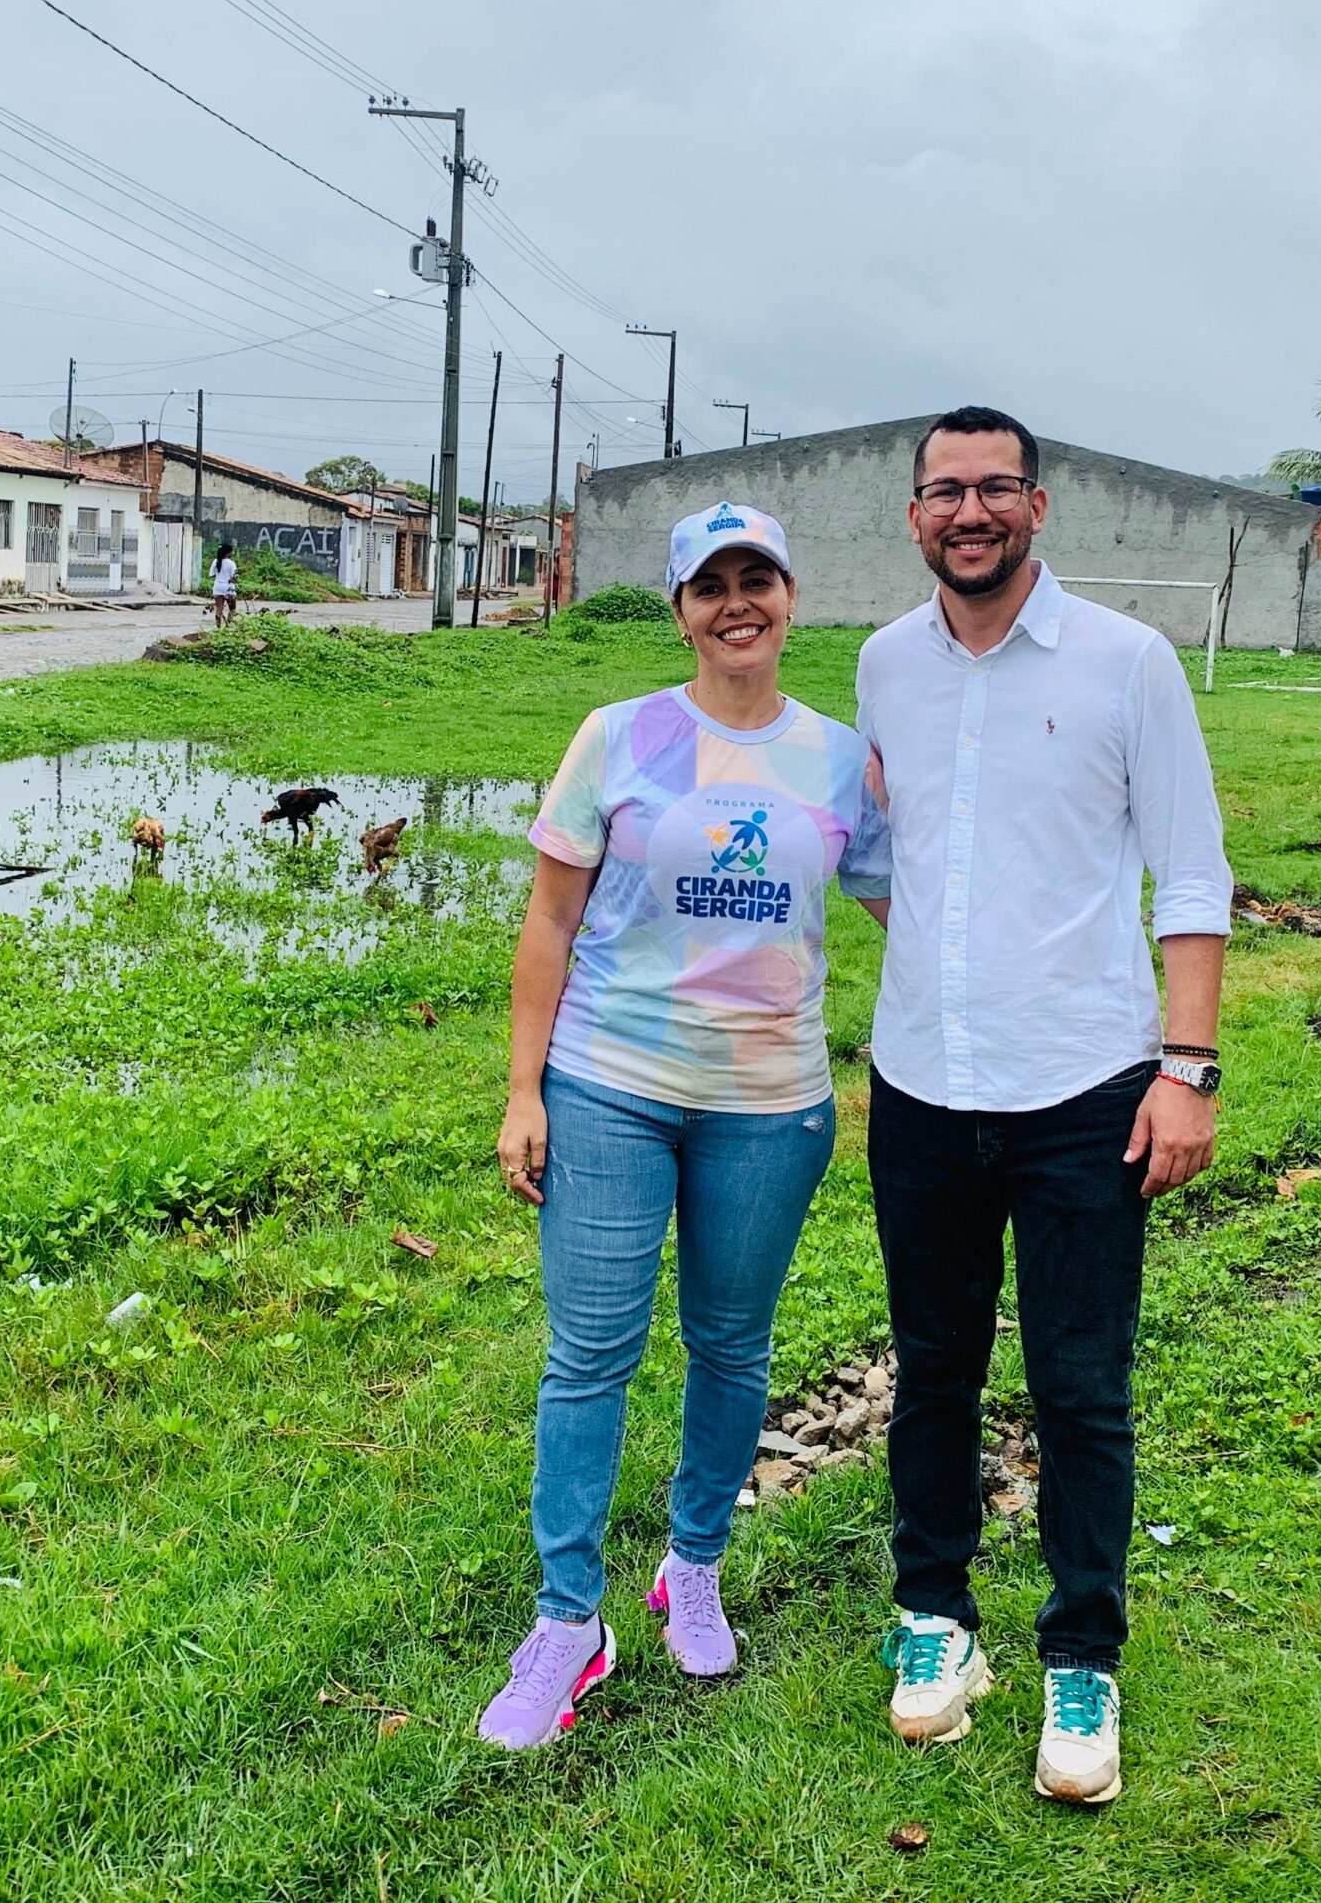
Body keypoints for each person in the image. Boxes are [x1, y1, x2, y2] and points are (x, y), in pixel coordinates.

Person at [857, 406, 1232, 1806]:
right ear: (913, 515)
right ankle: (935, 1625)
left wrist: (1186, 1071)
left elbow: (1194, 879)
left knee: (1082, 1388)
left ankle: (1084, 1656)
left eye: (995, 488)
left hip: (1088, 1089)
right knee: (931, 1371)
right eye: (945, 491)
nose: (971, 512)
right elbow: (895, 852)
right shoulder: (884, 665)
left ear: (1039, 505)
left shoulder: (1129, 666)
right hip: (922, 1086)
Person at [478, 501, 892, 1749]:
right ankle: (567, 1620)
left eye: (754, 576)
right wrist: (522, 1091)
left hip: (770, 1107)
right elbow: (549, 923)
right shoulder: (619, 737)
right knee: (588, 1354)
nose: (735, 603)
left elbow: (905, 918)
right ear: (678, 609)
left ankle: (692, 1565)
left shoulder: (840, 760)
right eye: (708, 584)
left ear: (789, 592)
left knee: (731, 1346)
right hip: (611, 1084)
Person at [210, 540, 237, 625]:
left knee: (219, 608)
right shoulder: (232, 564)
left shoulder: (216, 561)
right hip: (229, 588)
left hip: (217, 587)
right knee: (232, 608)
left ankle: (218, 627)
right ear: (228, 553)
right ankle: (228, 625)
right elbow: (234, 578)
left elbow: (212, 575)